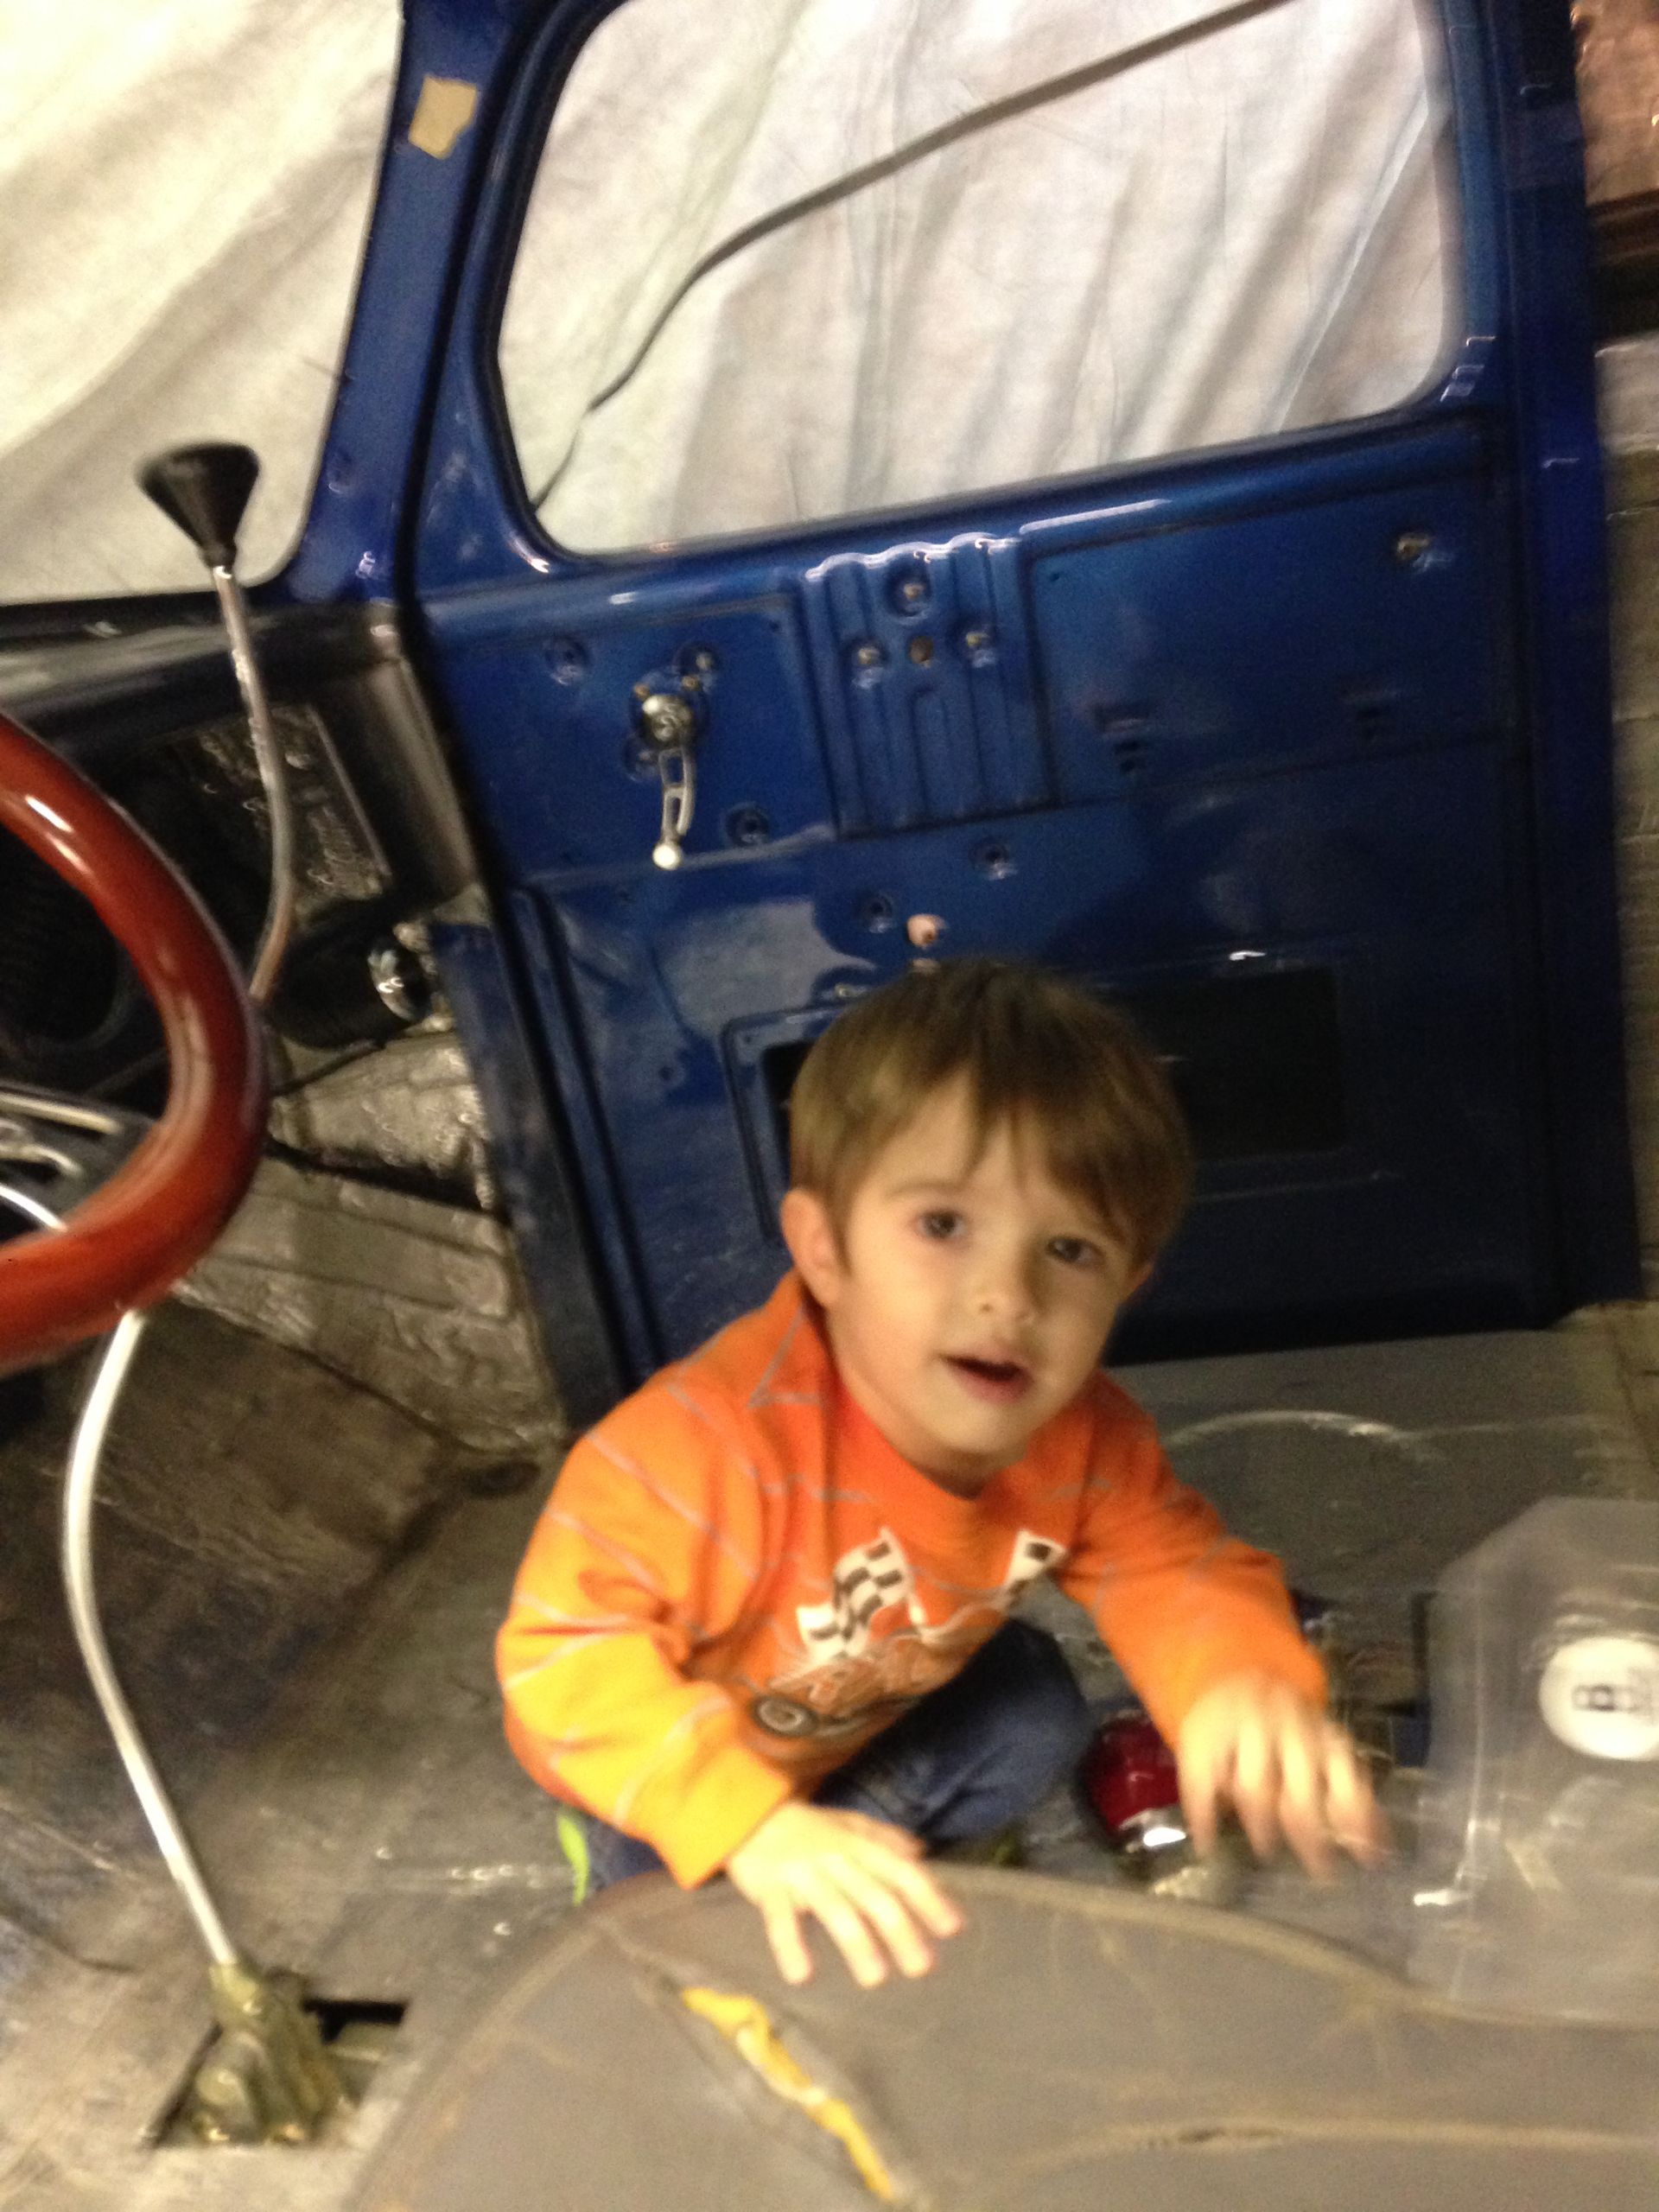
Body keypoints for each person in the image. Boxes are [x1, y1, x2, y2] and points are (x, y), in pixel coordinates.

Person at [497, 957, 1386, 1990]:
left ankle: (853, 1854)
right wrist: (753, 1830)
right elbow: (562, 1658)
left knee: (1037, 1710)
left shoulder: (1082, 1438)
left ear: (1129, 1285)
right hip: (676, 1758)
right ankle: (785, 1861)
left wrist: (1239, 1679)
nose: (1005, 1296)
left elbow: (1170, 1561)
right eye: (942, 1225)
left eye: (1068, 1249)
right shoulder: (698, 1450)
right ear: (824, 1249)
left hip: (858, 1711)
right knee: (678, 1936)